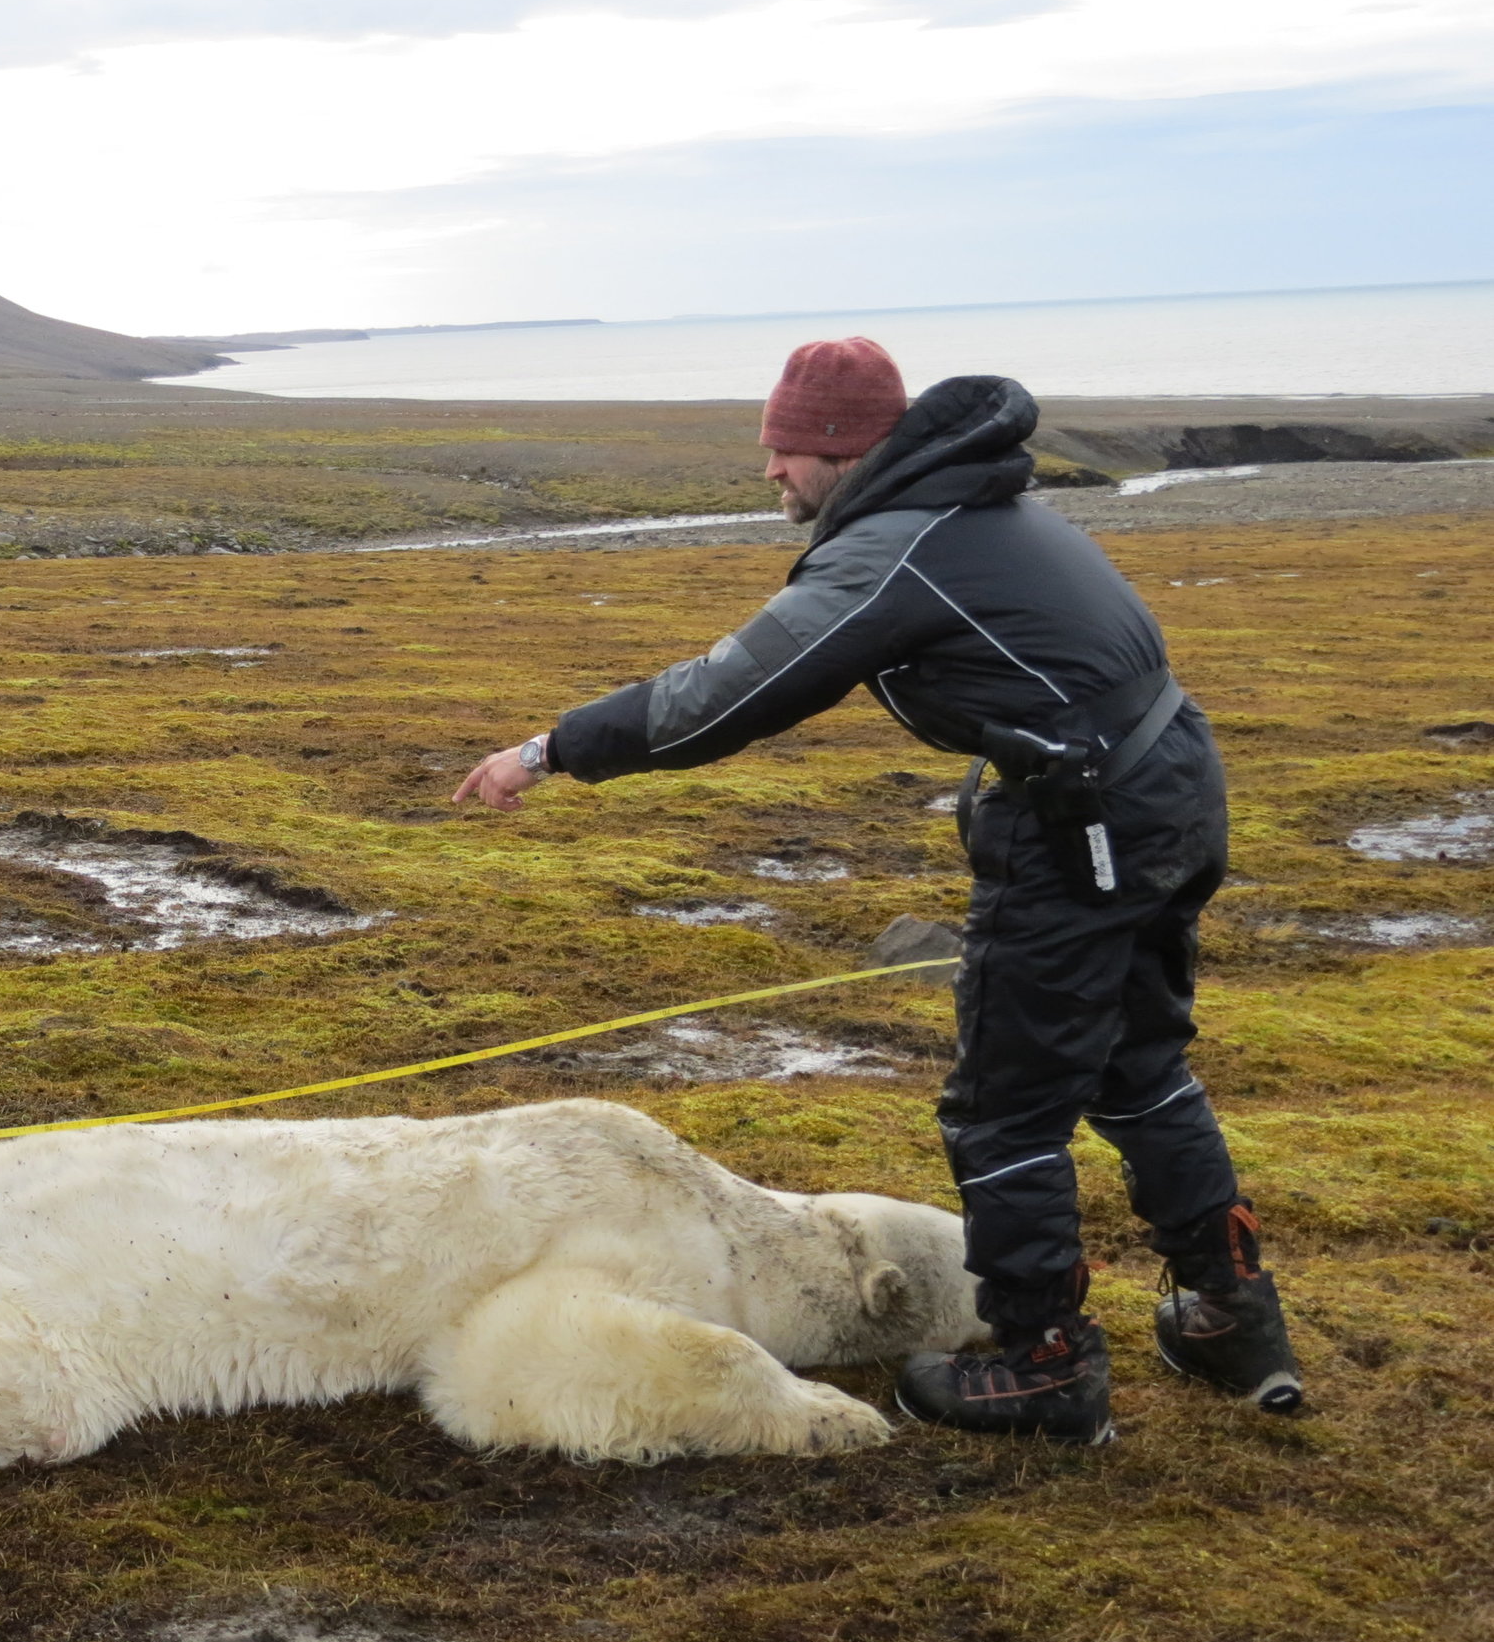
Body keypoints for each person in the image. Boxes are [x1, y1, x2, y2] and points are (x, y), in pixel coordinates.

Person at [453, 337, 1301, 1444]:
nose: (771, 473)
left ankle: (1046, 1366)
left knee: (1007, 1108)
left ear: (844, 448)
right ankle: (1230, 1321)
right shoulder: (978, 509)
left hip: (1085, 830)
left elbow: (727, 694)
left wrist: (551, 748)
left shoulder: (897, 550)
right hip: (1162, 795)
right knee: (1139, 1067)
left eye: (788, 450)